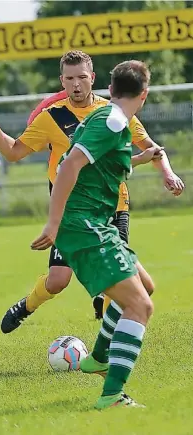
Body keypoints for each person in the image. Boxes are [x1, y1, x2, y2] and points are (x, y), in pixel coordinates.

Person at [0, 51, 184, 330]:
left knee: (121, 279)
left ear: (92, 78)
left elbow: (153, 150)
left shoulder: (114, 113)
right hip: (72, 208)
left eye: (82, 77)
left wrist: (168, 173)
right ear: (62, 81)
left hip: (112, 205)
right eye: (70, 78)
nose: (76, 84)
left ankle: (105, 343)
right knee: (58, 280)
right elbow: (13, 152)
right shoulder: (52, 117)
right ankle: (27, 305)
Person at [31, 59, 157, 409]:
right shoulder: (114, 121)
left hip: (94, 224)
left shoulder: (106, 119)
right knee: (140, 305)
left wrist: (145, 157)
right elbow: (68, 166)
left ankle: (99, 357)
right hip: (83, 227)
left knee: (144, 287)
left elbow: (100, 163)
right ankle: (112, 397)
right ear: (143, 95)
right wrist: (54, 224)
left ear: (110, 90)